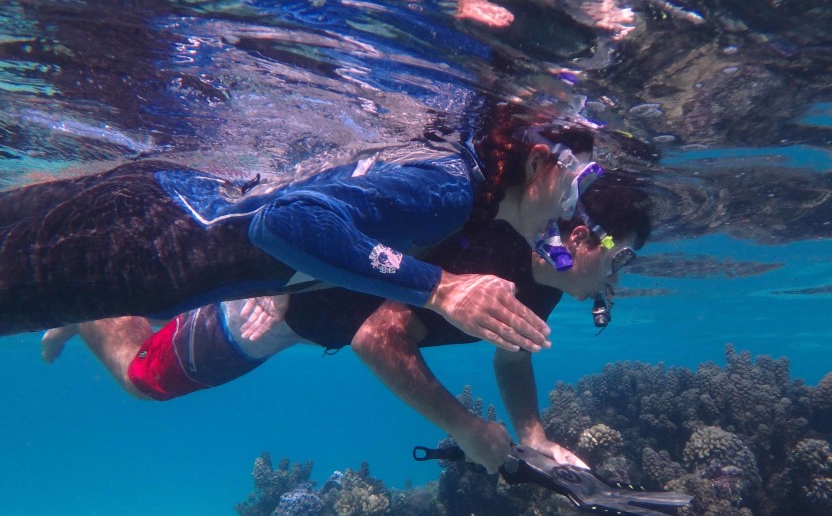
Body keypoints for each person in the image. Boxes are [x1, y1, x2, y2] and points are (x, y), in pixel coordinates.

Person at [44, 181, 649, 473]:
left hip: (291, 284)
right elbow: (375, 335)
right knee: (143, 374)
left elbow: (512, 356)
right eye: (620, 260)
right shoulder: (501, 233)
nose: (616, 281)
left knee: (165, 295)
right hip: (278, 301)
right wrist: (465, 428)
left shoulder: (544, 285)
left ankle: (89, 301)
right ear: (578, 238)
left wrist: (533, 435)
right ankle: (79, 307)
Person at [0, 103, 602, 355]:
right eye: (577, 184)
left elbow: (307, 209)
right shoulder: (450, 190)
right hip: (131, 240)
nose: (572, 210)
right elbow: (283, 222)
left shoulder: (455, 185)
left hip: (140, 228)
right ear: (537, 160)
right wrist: (442, 288)